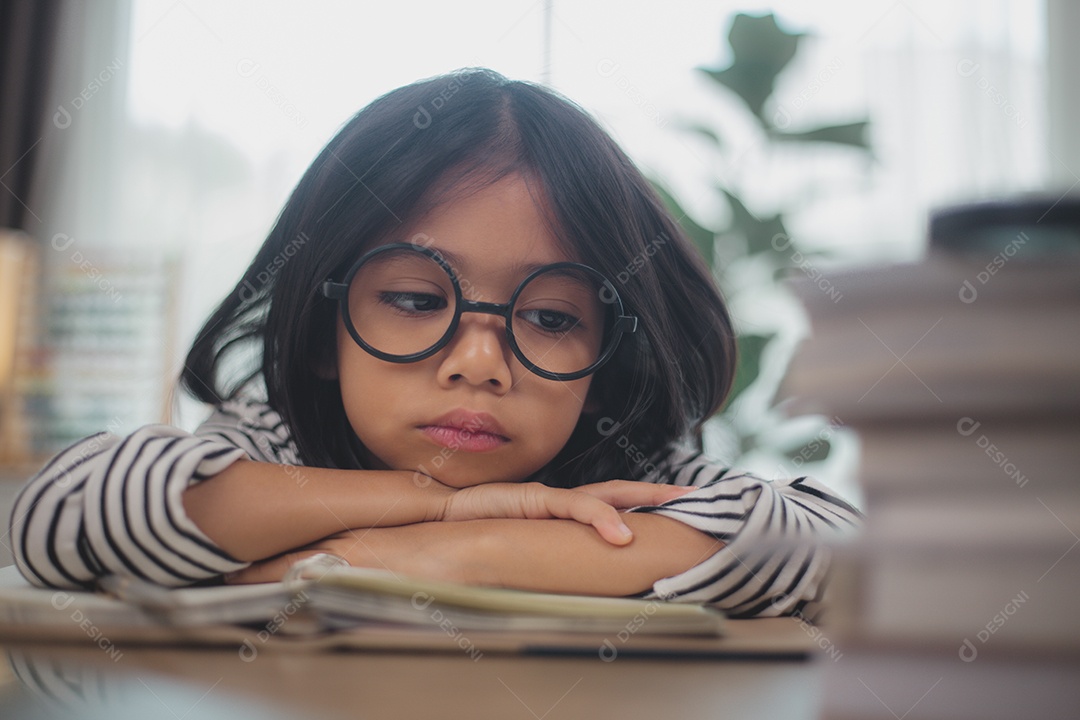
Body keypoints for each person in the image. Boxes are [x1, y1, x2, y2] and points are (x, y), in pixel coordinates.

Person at [10, 68, 860, 618]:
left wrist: (449, 554)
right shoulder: (273, 442)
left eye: (552, 319)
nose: (480, 362)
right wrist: (438, 502)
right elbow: (59, 515)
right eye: (418, 299)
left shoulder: (630, 476)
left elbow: (843, 553)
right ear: (321, 330)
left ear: (603, 368)